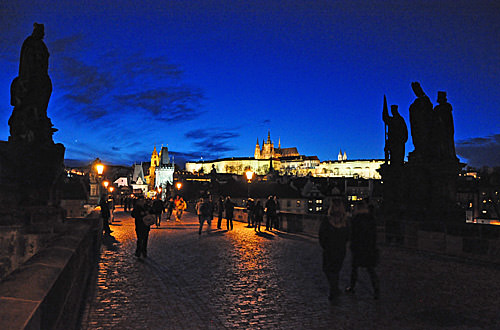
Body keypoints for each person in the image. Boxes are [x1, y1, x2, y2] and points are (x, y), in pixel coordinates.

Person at [345, 199, 380, 299]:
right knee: (370, 269)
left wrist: (352, 245)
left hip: (358, 247)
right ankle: (376, 289)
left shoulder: (356, 219)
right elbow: (374, 234)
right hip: (369, 247)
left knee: (355, 269)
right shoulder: (371, 218)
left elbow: (353, 234)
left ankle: (352, 287)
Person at [319, 198, 349, 301]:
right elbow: (348, 236)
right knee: (336, 270)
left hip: (329, 249)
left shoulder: (327, 220)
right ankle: (335, 288)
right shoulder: (345, 221)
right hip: (340, 249)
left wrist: (325, 245)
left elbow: (321, 235)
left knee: (328, 269)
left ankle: (333, 290)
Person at [409, 82, 433, 159]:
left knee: (424, 137)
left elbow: (428, 112)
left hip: (423, 124)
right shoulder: (417, 101)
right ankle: (418, 149)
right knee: (417, 137)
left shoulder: (425, 100)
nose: (415, 92)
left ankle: (423, 150)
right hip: (416, 124)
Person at [383, 99, 408, 167]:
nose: (392, 112)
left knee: (397, 155)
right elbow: (385, 118)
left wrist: (402, 139)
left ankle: (395, 166)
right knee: (387, 149)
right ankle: (387, 162)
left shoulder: (399, 119)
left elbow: (404, 131)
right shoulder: (392, 119)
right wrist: (384, 110)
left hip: (397, 141)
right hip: (392, 140)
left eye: (393, 110)